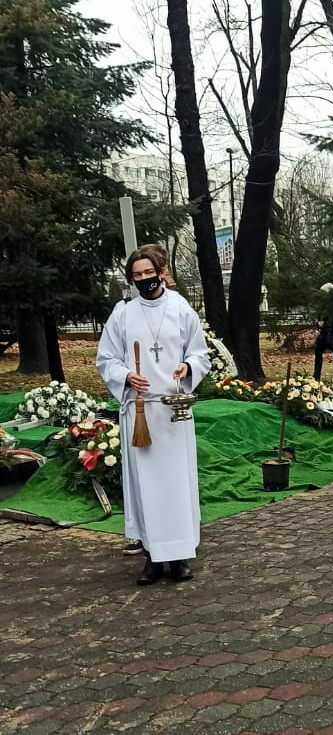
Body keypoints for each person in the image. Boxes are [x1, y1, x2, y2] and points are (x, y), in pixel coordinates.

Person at [96, 248, 211, 585]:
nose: (144, 279)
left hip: (173, 411)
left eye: (149, 272)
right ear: (131, 278)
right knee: (146, 487)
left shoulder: (180, 308)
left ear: (161, 272)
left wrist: (187, 366)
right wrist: (126, 376)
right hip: (140, 413)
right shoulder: (123, 314)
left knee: (176, 485)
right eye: (137, 275)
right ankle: (152, 558)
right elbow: (106, 359)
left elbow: (200, 353)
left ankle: (179, 558)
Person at [313, 283, 333, 384]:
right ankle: (316, 376)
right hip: (323, 335)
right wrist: (318, 323)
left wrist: (325, 324)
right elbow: (318, 317)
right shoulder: (321, 305)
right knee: (318, 354)